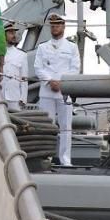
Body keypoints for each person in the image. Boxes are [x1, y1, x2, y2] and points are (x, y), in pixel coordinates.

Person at [33, 13, 80, 166]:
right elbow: (38, 67)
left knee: (66, 127)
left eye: (57, 25)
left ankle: (66, 159)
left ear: (63, 27)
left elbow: (75, 68)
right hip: (47, 92)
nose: (55, 28)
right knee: (47, 125)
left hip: (64, 92)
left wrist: (61, 83)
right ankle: (46, 157)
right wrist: (50, 81)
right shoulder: (42, 47)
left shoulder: (72, 47)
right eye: (52, 25)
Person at [0, 22, 29, 110]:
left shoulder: (21, 55)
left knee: (15, 122)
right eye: (10, 33)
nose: (14, 35)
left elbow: (24, 79)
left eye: (14, 32)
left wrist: (23, 98)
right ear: (3, 34)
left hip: (14, 98)